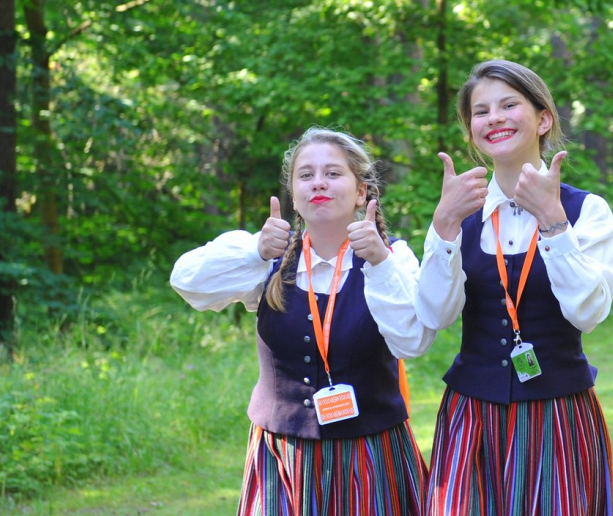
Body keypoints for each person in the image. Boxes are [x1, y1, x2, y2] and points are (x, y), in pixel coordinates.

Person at [170, 128, 432, 516]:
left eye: (333, 173)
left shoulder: (392, 259)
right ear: (294, 193)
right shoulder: (267, 261)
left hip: (372, 454)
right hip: (282, 456)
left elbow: (413, 341)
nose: (318, 183)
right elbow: (185, 281)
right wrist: (256, 252)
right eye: (306, 175)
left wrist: (379, 262)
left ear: (362, 192)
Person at [417, 60, 613, 515]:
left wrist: (553, 224)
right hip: (472, 417)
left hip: (558, 416)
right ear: (471, 131)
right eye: (481, 111)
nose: (495, 118)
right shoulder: (458, 213)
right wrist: (444, 227)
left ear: (543, 118)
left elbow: (589, 312)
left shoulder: (586, 211)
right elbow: (434, 315)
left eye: (509, 104)